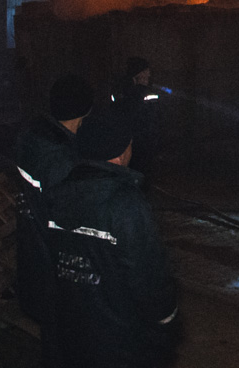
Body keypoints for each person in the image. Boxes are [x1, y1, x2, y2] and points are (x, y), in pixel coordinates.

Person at [45, 105, 178, 367]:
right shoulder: (126, 205)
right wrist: (166, 320)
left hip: (71, 337)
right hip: (120, 343)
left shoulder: (57, 195)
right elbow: (147, 275)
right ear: (121, 151)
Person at [14, 73, 95, 352]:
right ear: (84, 112)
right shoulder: (60, 160)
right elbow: (73, 225)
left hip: (35, 262)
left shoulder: (34, 141)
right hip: (56, 278)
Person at [111, 57, 161, 179]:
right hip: (135, 140)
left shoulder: (126, 92)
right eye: (145, 71)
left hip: (139, 140)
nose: (148, 74)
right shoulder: (128, 93)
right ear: (139, 73)